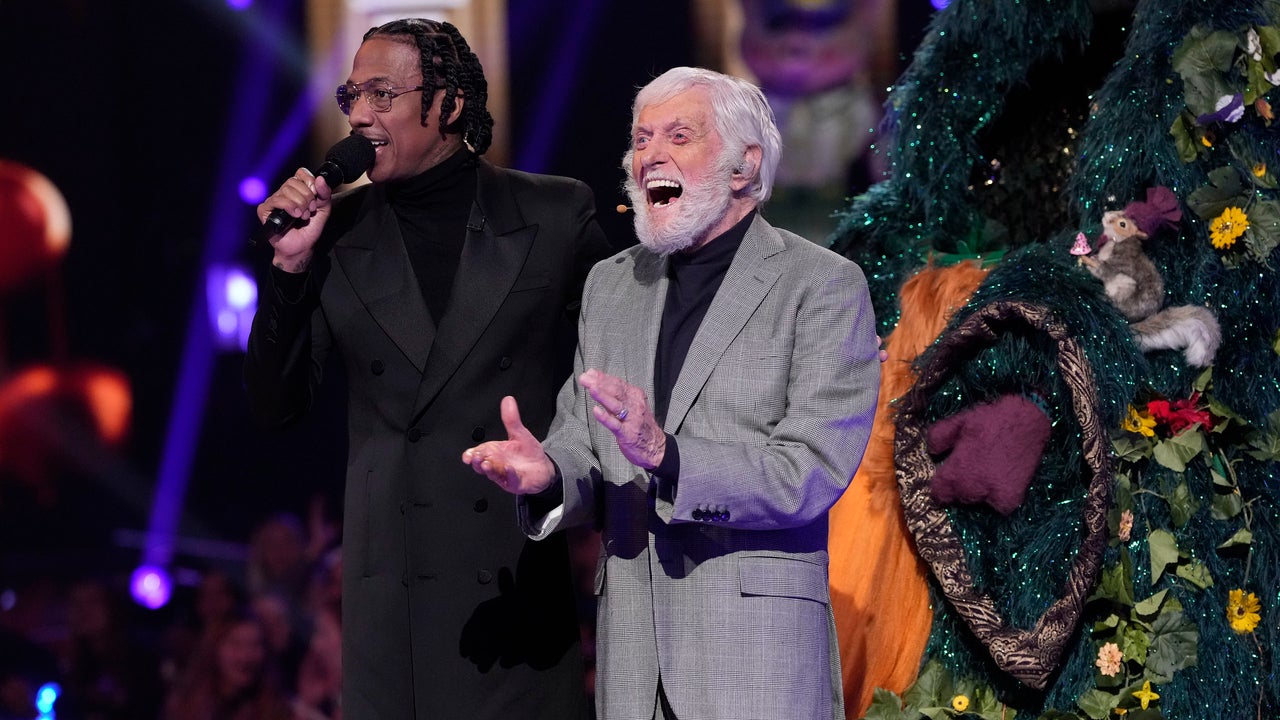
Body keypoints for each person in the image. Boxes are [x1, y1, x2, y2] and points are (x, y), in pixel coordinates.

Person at [463, 67, 880, 720]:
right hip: (632, 659)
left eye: (678, 135)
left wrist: (671, 455)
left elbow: (812, 468)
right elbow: (586, 441)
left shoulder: (821, 285)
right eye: (641, 138)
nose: (649, 154)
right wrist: (548, 471)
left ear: (744, 167)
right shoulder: (610, 285)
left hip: (757, 661)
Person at [244, 17, 610, 720]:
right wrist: (289, 270)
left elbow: (620, 363)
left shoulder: (554, 214)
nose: (357, 114)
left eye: (382, 94)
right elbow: (275, 407)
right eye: (352, 94)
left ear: (446, 105)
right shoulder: (338, 239)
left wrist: (572, 463)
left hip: (511, 584)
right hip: (392, 610)